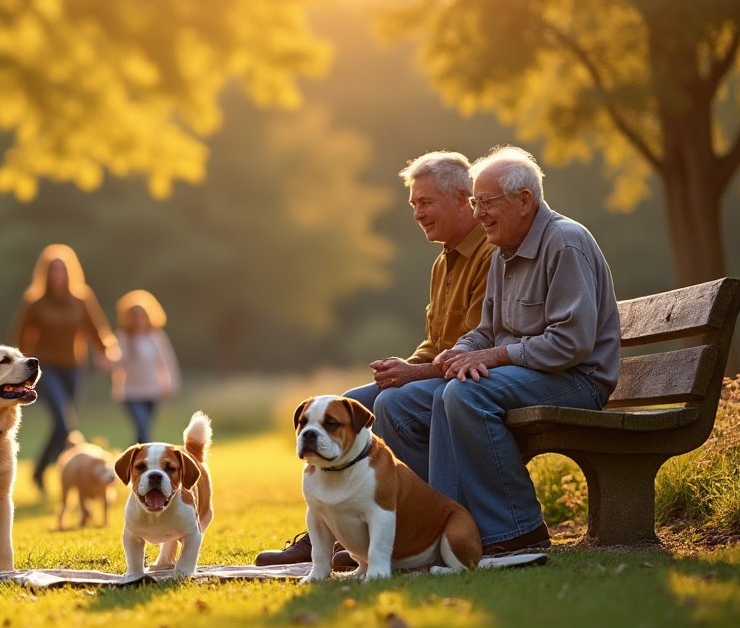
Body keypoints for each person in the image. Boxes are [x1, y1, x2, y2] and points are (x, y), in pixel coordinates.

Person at [256, 150, 494, 567]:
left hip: (470, 377)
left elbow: (471, 347)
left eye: (426, 202)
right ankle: (340, 531)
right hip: (438, 371)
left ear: (462, 199)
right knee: (353, 400)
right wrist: (400, 366)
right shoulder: (444, 262)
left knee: (393, 403)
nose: (418, 214)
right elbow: (435, 341)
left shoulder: (489, 256)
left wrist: (412, 374)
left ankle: (423, 521)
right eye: (414, 205)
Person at [432, 145, 620, 555]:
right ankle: (444, 530)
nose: (478, 213)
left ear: (523, 201)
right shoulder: (503, 252)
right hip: (534, 376)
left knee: (467, 393)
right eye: (476, 203)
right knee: (420, 398)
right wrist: (461, 352)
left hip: (577, 379)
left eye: (486, 202)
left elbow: (570, 344)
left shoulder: (566, 243)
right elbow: (487, 331)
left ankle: (517, 530)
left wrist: (494, 356)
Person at [11, 244, 120, 495]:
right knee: (64, 422)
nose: (58, 274)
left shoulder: (82, 298)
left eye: (62, 269)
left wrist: (107, 351)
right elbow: (21, 338)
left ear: (70, 271)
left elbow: (96, 328)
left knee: (62, 427)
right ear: (45, 273)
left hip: (73, 367)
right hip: (45, 369)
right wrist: (19, 372)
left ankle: (41, 471)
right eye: (53, 270)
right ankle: (58, 471)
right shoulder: (34, 302)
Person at [112, 290, 181, 444]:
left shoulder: (157, 337)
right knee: (142, 426)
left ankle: (134, 462)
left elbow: (166, 362)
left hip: (152, 391)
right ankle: (144, 460)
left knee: (143, 431)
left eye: (142, 315)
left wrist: (170, 384)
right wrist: (108, 360)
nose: (138, 320)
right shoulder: (123, 337)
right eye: (135, 316)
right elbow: (117, 361)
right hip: (130, 392)